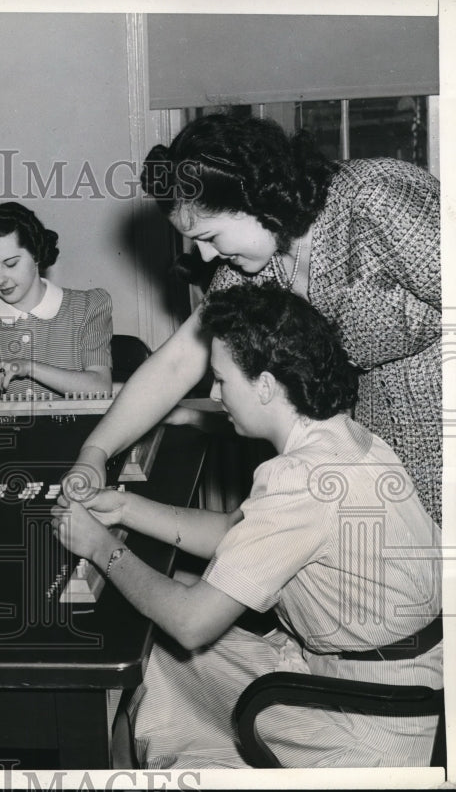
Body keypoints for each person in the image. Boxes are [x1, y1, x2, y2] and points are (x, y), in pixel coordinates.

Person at [53, 283, 441, 768]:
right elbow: (236, 535)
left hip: (367, 722)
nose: (214, 395)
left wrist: (99, 546)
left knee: (156, 644)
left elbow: (191, 624)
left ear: (265, 385)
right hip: (406, 686)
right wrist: (125, 509)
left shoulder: (298, 479)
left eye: (220, 380)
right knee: (159, 622)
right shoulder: (343, 436)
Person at [66, 114, 441, 526]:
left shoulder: (374, 200)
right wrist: (95, 452)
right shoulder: (253, 265)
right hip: (380, 433)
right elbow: (177, 361)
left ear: (254, 199)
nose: (205, 256)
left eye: (209, 237)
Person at [0, 202, 113, 398]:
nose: (0, 279)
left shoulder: (88, 307)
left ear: (35, 254)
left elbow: (100, 387)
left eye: (11, 264)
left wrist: (27, 367)